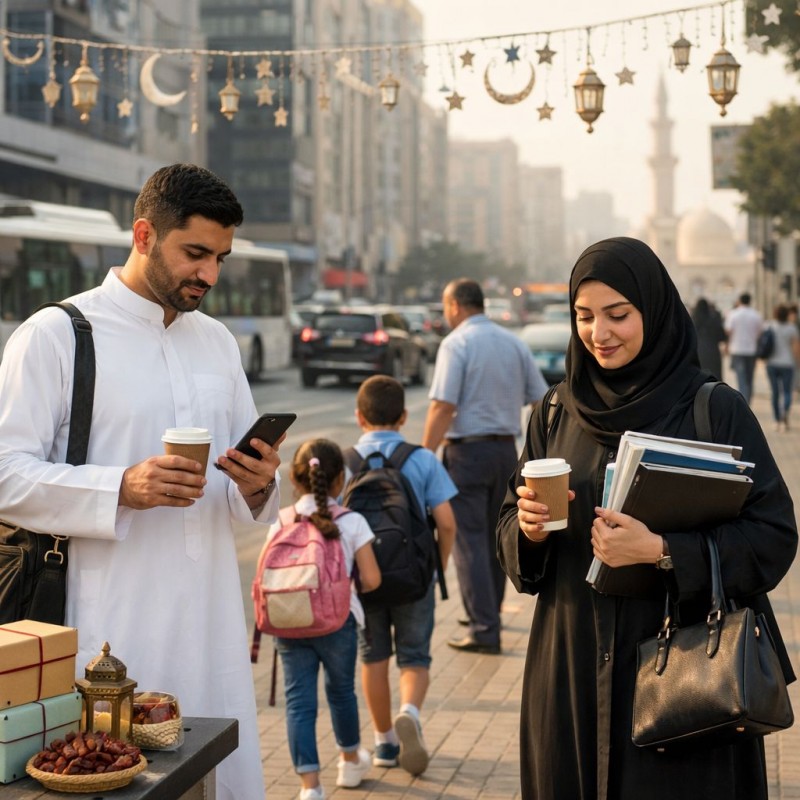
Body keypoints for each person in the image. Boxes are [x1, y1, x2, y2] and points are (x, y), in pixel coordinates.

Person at [0, 164, 281, 800]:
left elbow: (244, 492)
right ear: (145, 234)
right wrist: (121, 487)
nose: (209, 274)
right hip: (106, 628)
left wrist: (260, 482)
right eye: (196, 253)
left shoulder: (216, 343)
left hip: (210, 619)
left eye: (221, 258)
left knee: (215, 773)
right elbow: (5, 474)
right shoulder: (59, 335)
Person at [496, 237, 797, 800]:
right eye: (584, 316)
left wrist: (663, 550)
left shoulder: (712, 409)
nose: (599, 334)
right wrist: (529, 530)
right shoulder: (557, 410)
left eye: (618, 315)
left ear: (654, 313)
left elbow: (774, 534)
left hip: (683, 673)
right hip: (572, 666)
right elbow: (510, 529)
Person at [422, 279, 548, 654]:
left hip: (467, 456)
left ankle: (483, 628)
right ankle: (487, 612)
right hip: (507, 454)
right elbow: (540, 400)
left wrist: (425, 457)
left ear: (457, 306)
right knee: (496, 538)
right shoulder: (513, 342)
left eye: (446, 306)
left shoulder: (456, 343)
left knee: (469, 542)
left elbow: (443, 406)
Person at [350, 375, 457, 776]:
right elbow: (446, 523)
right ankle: (409, 712)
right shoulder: (422, 459)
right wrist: (437, 566)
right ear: (404, 416)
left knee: (373, 658)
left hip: (363, 581)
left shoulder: (344, 462)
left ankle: (383, 743)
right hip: (414, 578)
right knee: (414, 657)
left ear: (359, 417)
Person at [272, 439, 381, 800]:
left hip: (289, 622)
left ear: (295, 478)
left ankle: (309, 787)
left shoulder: (282, 521)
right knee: (340, 692)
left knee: (299, 702)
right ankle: (350, 762)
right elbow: (372, 579)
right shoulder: (351, 522)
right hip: (338, 623)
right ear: (339, 481)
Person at [765, 303, 800, 431]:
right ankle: (784, 415)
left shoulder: (770, 326)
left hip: (772, 364)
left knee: (775, 392)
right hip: (787, 364)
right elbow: (796, 348)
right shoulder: (792, 328)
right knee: (787, 392)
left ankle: (776, 420)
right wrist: (797, 362)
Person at [723, 291, 763, 404]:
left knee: (741, 378)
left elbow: (728, 331)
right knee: (750, 378)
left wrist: (727, 346)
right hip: (751, 350)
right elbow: (760, 332)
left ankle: (744, 402)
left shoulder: (733, 314)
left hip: (737, 349)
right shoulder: (756, 314)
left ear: (740, 301)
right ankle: (748, 401)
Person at [690, 296, 726, 378]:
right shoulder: (714, 319)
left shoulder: (693, 320)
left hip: (698, 351)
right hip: (713, 351)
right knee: (715, 376)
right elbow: (722, 336)